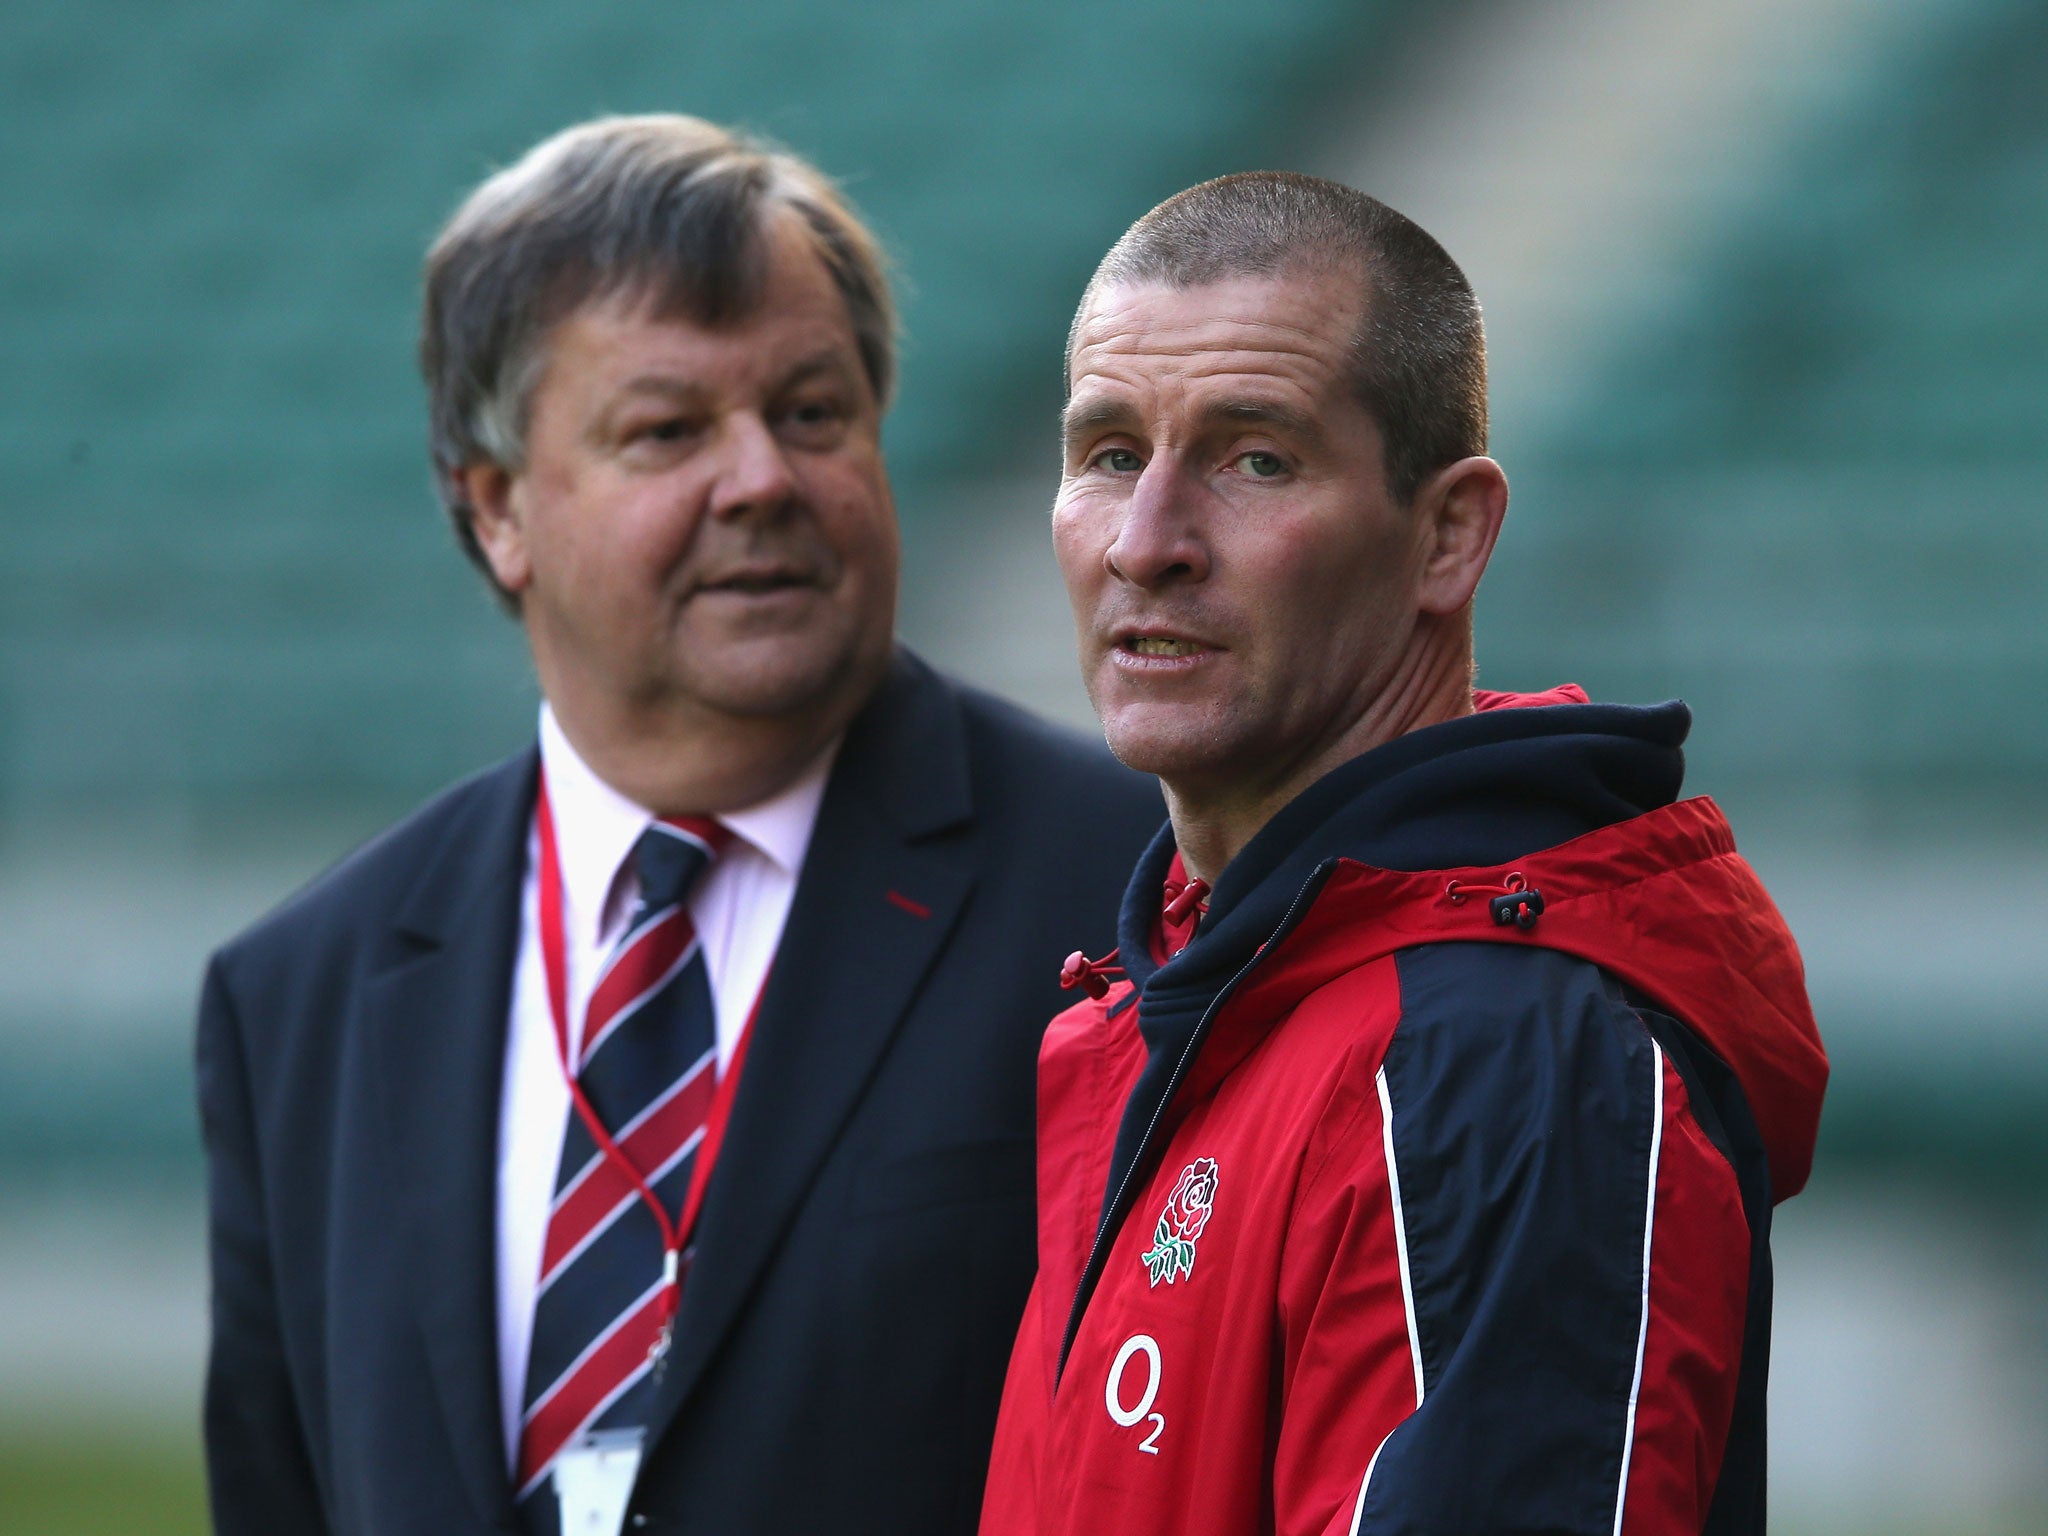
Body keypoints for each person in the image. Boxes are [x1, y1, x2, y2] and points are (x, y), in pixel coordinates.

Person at [196, 115, 1161, 1536]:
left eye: (813, 412)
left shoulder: (1132, 892)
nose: (762, 477)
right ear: (497, 509)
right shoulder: (303, 1001)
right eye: (668, 430)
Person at [977, 172, 1828, 1536]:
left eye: (1255, 457)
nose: (1148, 544)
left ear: (1448, 536)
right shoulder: (1189, 990)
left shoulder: (1490, 1054)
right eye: (1110, 453)